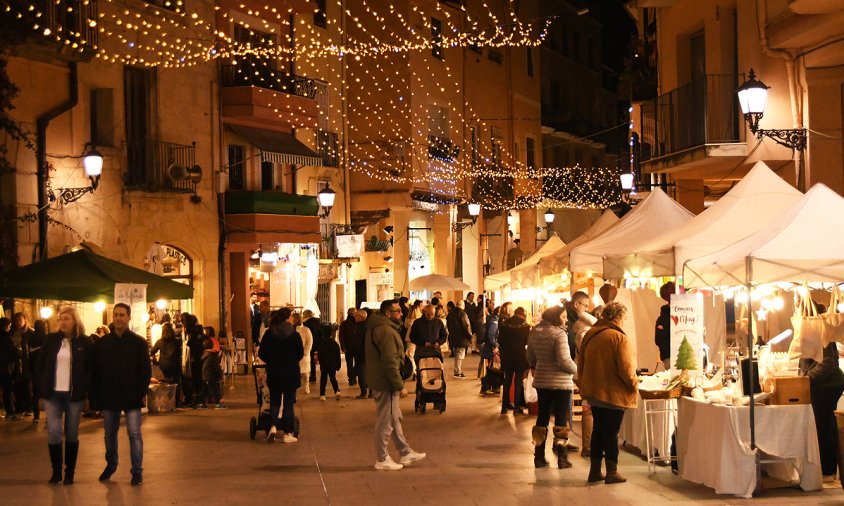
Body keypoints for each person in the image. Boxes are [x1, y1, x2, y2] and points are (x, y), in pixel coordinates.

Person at [576, 302, 638, 485]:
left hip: (594, 392)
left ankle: (595, 471)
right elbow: (626, 369)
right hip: (613, 393)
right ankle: (612, 471)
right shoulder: (618, 337)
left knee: (599, 430)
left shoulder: (590, 335)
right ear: (618, 317)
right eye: (624, 318)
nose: (624, 322)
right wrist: (634, 384)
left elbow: (581, 363)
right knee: (611, 433)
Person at [93, 303, 152, 486]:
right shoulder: (102, 344)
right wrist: (97, 396)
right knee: (109, 434)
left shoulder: (139, 343)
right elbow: (96, 371)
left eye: (122, 315)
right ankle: (111, 464)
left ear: (128, 318)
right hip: (109, 397)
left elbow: (145, 371)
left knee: (134, 434)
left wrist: (140, 392)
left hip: (132, 396)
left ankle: (137, 471)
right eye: (116, 315)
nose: (118, 318)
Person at [366, 299, 426, 471]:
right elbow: (390, 361)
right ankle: (382, 458)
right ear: (387, 313)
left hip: (381, 380)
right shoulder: (385, 331)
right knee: (386, 420)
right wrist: (399, 385)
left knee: (394, 417)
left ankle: (405, 451)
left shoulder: (378, 328)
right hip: (386, 382)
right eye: (398, 311)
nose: (401, 313)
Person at [39, 307, 93, 484]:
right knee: (54, 432)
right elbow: (40, 364)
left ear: (75, 321)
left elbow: (89, 369)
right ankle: (56, 471)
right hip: (52, 394)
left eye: (67, 318)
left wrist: (86, 392)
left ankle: (70, 472)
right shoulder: (51, 340)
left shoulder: (84, 342)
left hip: (73, 395)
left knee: (71, 432)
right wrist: (40, 388)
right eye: (60, 318)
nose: (62, 322)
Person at [527, 306, 577, 469]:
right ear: (556, 317)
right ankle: (562, 457)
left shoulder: (534, 332)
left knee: (542, 418)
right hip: (561, 382)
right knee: (561, 420)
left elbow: (530, 356)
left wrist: (538, 365)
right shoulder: (559, 333)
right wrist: (578, 371)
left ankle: (539, 456)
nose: (565, 319)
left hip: (542, 381)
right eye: (563, 316)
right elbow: (564, 360)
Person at [258, 308, 304, 443]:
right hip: (290, 373)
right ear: (286, 318)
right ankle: (288, 433)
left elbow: (262, 353)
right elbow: (300, 353)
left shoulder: (269, 333)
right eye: (290, 316)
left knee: (275, 401)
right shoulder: (294, 335)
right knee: (289, 403)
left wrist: (272, 361)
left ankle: (272, 427)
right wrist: (291, 360)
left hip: (274, 372)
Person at [800, 342, 844, 480]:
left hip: (828, 385)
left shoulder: (821, 333)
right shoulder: (812, 331)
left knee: (823, 427)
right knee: (825, 426)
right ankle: (828, 470)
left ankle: (827, 470)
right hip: (824, 384)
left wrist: (808, 378)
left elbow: (828, 363)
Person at [572, 304, 598, 458]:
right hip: (588, 375)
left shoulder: (581, 333)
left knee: (588, 409)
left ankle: (589, 445)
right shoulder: (586, 334)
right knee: (589, 410)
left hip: (583, 375)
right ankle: (588, 446)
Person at [498, 307, 530, 415]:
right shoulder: (525, 326)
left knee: (507, 381)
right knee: (517, 382)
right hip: (520, 356)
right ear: (523, 315)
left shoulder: (504, 324)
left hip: (507, 356)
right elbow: (527, 341)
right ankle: (517, 408)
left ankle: (504, 407)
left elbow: (500, 340)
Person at [10, 312, 34, 416]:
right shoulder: (12, 332)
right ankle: (19, 407)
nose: (18, 322)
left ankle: (28, 407)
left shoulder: (30, 332)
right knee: (16, 386)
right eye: (16, 320)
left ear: (25, 320)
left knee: (26, 386)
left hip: (26, 362)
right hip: (15, 363)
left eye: (20, 320)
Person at [446, 300, 472, 378]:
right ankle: (458, 372)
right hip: (461, 338)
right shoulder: (463, 314)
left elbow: (448, 326)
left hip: (453, 337)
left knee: (457, 354)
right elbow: (466, 326)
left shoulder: (450, 314)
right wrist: (469, 336)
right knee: (460, 356)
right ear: (463, 305)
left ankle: (457, 370)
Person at [0, 316, 19, 420]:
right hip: (6, 370)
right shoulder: (7, 339)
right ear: (5, 326)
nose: (9, 328)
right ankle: (10, 413)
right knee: (7, 392)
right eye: (9, 326)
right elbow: (14, 354)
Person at [29, 319, 47, 422]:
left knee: (35, 394)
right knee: (47, 394)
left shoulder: (31, 337)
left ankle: (36, 416)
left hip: (35, 369)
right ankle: (48, 416)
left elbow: (30, 353)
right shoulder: (46, 337)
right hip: (45, 369)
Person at [199, 338, 226, 409]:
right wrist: (220, 374)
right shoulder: (213, 355)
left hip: (205, 374)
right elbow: (216, 366)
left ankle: (201, 402)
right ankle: (217, 403)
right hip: (211, 375)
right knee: (214, 390)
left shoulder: (205, 354)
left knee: (205, 389)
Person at [479, 306, 500, 396]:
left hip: (490, 349)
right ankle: (485, 388)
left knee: (492, 371)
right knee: (492, 371)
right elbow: (490, 335)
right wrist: (494, 346)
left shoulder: (492, 320)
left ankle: (492, 387)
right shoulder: (494, 322)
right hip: (491, 350)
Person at [655, 281, 675, 371]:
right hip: (669, 357)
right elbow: (658, 340)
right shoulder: (663, 318)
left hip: (673, 356)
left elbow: (658, 340)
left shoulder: (663, 317)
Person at [292, 312, 313, 395]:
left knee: (305, 373)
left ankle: (306, 385)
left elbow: (309, 341)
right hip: (294, 356)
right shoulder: (291, 330)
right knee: (295, 374)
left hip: (304, 356)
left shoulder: (306, 330)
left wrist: (305, 352)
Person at [318, 331, 342, 401]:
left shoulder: (322, 344)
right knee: (333, 378)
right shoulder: (335, 344)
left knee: (323, 379)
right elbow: (338, 356)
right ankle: (337, 391)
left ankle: (322, 395)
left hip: (324, 364)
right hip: (333, 365)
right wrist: (338, 365)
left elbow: (319, 355)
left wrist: (321, 362)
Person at [339, 308, 358, 386]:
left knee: (352, 364)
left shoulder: (345, 323)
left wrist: (343, 346)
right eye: (355, 313)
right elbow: (341, 336)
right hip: (353, 347)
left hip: (350, 347)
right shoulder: (346, 323)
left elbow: (341, 336)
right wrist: (343, 346)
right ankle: (352, 377)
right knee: (354, 363)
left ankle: (352, 377)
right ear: (352, 314)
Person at [303, 309, 323, 383]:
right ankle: (313, 375)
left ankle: (308, 374)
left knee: (308, 359)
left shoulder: (305, 323)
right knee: (313, 360)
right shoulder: (317, 322)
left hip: (308, 343)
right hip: (316, 343)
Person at [354, 309, 370, 399]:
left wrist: (356, 353)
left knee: (361, 374)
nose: (355, 317)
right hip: (369, 353)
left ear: (361, 317)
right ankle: (371, 391)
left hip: (361, 354)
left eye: (356, 316)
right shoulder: (368, 326)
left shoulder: (360, 327)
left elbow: (359, 342)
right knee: (369, 373)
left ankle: (363, 392)